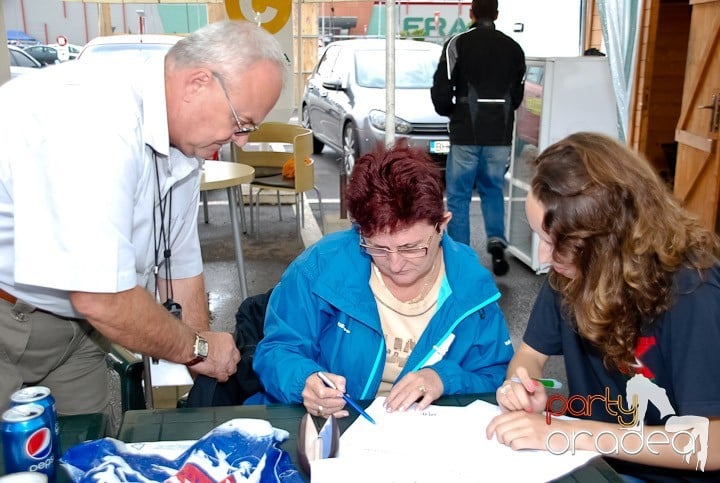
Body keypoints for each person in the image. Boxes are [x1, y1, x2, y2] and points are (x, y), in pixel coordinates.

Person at [0, 20, 286, 419]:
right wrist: (198, 348)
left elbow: (180, 267)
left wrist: (201, 355)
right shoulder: (94, 120)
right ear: (197, 83)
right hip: (11, 320)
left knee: (84, 452)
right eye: (241, 123)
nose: (242, 141)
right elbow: (101, 296)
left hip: (80, 329)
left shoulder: (183, 140)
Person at [485, 132, 720, 480]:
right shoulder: (574, 270)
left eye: (555, 244)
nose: (544, 258)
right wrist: (524, 388)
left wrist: (569, 433)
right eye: (540, 237)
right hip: (594, 458)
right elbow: (530, 356)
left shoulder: (693, 291)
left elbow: (710, 445)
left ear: (609, 242)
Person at [253, 143, 514, 418]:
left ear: (442, 224)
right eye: (377, 248)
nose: (396, 264)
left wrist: (444, 380)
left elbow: (496, 378)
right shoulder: (319, 268)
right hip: (339, 429)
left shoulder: (473, 290)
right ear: (359, 232)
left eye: (411, 247)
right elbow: (276, 350)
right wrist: (304, 380)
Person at [431, 0, 525, 276]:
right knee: (492, 189)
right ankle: (496, 242)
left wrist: (452, 112)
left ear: (471, 13)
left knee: (459, 195)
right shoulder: (513, 48)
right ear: (496, 14)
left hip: (466, 133)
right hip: (499, 134)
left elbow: (441, 90)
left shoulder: (457, 43)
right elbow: (517, 96)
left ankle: (462, 259)